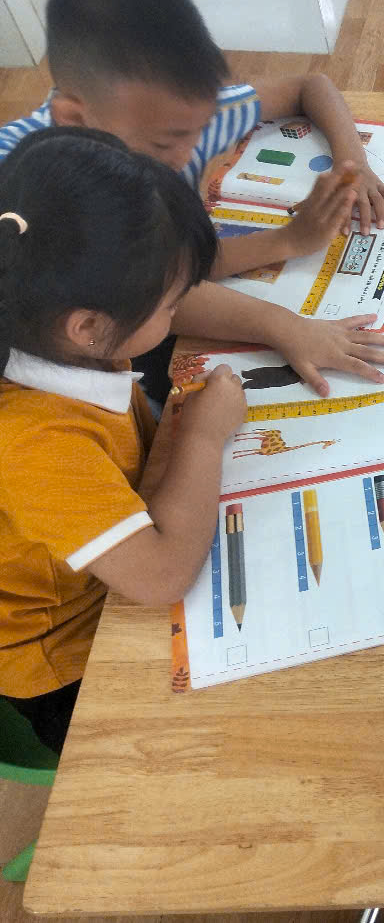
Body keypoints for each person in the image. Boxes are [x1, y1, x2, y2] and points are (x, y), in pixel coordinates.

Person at [0, 128, 271, 752]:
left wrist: (287, 328)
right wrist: (203, 434)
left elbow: (171, 311)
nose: (179, 313)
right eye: (170, 306)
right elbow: (161, 575)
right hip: (67, 654)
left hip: (113, 561)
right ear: (89, 325)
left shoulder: (56, 334)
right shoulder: (36, 446)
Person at [0, 0, 384, 283]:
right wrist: (288, 242)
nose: (188, 155)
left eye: (200, 129)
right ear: (75, 119)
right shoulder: (24, 187)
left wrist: (355, 165)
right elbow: (153, 285)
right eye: (164, 144)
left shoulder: (174, 119)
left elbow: (310, 86)